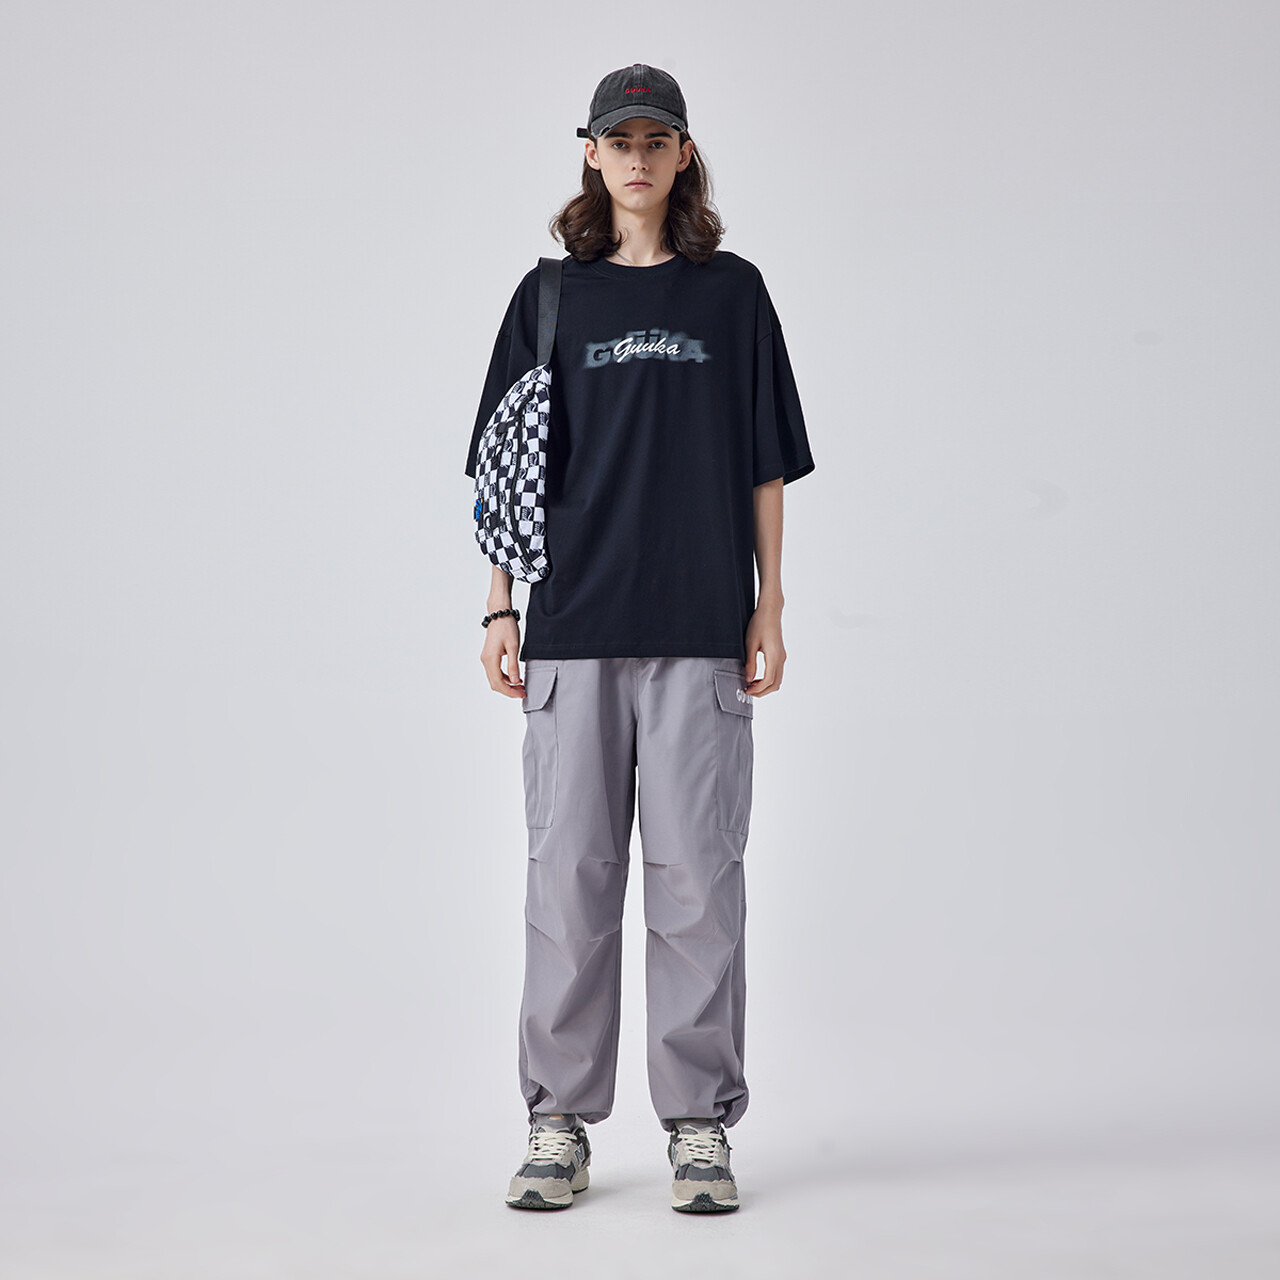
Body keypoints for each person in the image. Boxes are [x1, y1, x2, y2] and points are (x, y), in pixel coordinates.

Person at [464, 63, 815, 1214]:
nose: (636, 157)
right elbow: (503, 468)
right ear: (589, 152)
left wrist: (768, 603)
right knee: (567, 882)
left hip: (700, 631)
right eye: (618, 140)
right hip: (571, 629)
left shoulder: (732, 294)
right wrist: (499, 605)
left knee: (697, 883)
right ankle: (557, 1118)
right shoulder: (548, 297)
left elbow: (764, 461)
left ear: (682, 154)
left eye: (655, 139)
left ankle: (698, 1122)